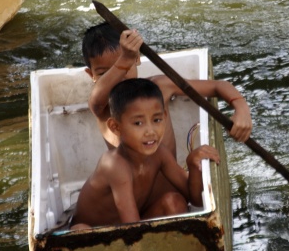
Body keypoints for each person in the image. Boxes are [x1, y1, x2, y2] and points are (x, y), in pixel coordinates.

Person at [70, 78, 221, 229]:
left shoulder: (159, 153)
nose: (150, 131)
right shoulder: (114, 164)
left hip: (129, 227)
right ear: (115, 127)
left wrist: (193, 165)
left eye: (156, 120)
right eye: (138, 123)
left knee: (173, 202)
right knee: (80, 230)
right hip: (95, 236)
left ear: (165, 117)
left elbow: (195, 200)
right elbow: (134, 228)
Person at [81, 22, 253, 154]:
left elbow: (218, 86)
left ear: (137, 59)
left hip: (169, 183)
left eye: (124, 68)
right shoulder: (104, 106)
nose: (118, 78)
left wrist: (241, 107)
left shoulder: (159, 86)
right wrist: (124, 60)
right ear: (92, 76)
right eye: (105, 73)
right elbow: (96, 97)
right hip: (132, 190)